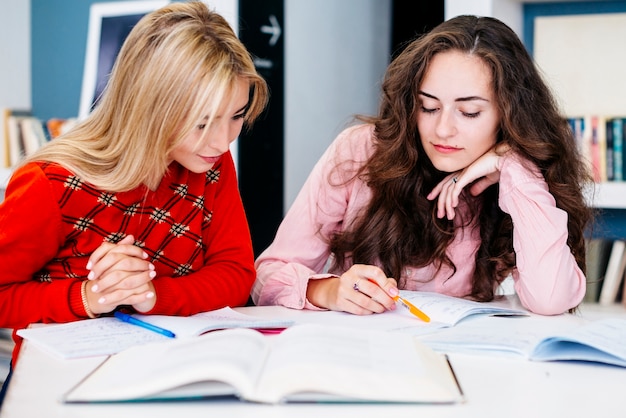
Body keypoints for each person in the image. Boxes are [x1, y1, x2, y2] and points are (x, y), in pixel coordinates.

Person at [252, 15, 593, 317]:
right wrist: (328, 291)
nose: (442, 130)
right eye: (428, 107)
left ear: (509, 114)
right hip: (362, 361)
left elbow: (550, 299)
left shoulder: (519, 177)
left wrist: (513, 166)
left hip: (461, 368)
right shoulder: (360, 151)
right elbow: (269, 274)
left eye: (469, 112)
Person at [0, 0, 268, 373]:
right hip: (59, 379)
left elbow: (236, 275)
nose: (222, 142)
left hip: (173, 365)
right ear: (150, 109)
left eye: (236, 116)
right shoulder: (48, 183)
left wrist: (152, 295)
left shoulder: (210, 164)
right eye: (202, 123)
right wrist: (88, 296)